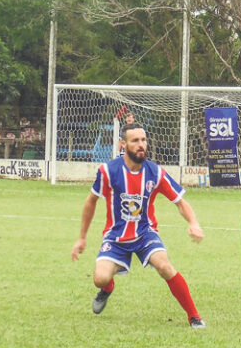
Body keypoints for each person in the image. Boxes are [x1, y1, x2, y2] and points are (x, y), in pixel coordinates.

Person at [71, 123, 206, 328]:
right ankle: (107, 289)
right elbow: (91, 201)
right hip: (116, 236)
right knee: (100, 278)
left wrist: (194, 222)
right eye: (135, 141)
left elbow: (180, 202)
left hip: (145, 233)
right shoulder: (108, 171)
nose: (141, 145)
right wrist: (82, 238)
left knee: (164, 266)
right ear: (123, 144)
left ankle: (194, 316)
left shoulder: (156, 173)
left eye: (143, 140)